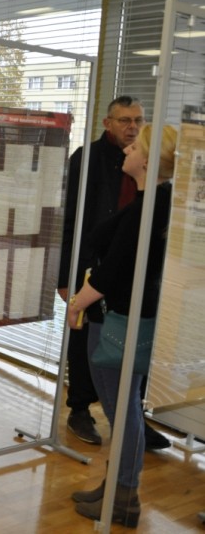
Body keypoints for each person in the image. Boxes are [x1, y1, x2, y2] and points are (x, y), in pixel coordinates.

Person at [67, 123, 177, 527]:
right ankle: (116, 486)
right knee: (124, 408)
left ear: (147, 160)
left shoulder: (148, 209)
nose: (126, 150)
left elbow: (112, 271)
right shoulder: (157, 202)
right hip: (129, 316)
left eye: (134, 147)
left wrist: (77, 304)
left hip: (119, 318)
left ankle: (124, 496)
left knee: (122, 410)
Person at [56, 95, 170, 449]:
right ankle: (79, 410)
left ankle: (132, 419)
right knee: (84, 343)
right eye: (124, 120)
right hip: (92, 267)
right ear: (108, 123)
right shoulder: (87, 159)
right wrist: (66, 276)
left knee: (130, 347)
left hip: (132, 276)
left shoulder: (154, 182)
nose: (132, 127)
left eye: (138, 120)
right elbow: (70, 219)